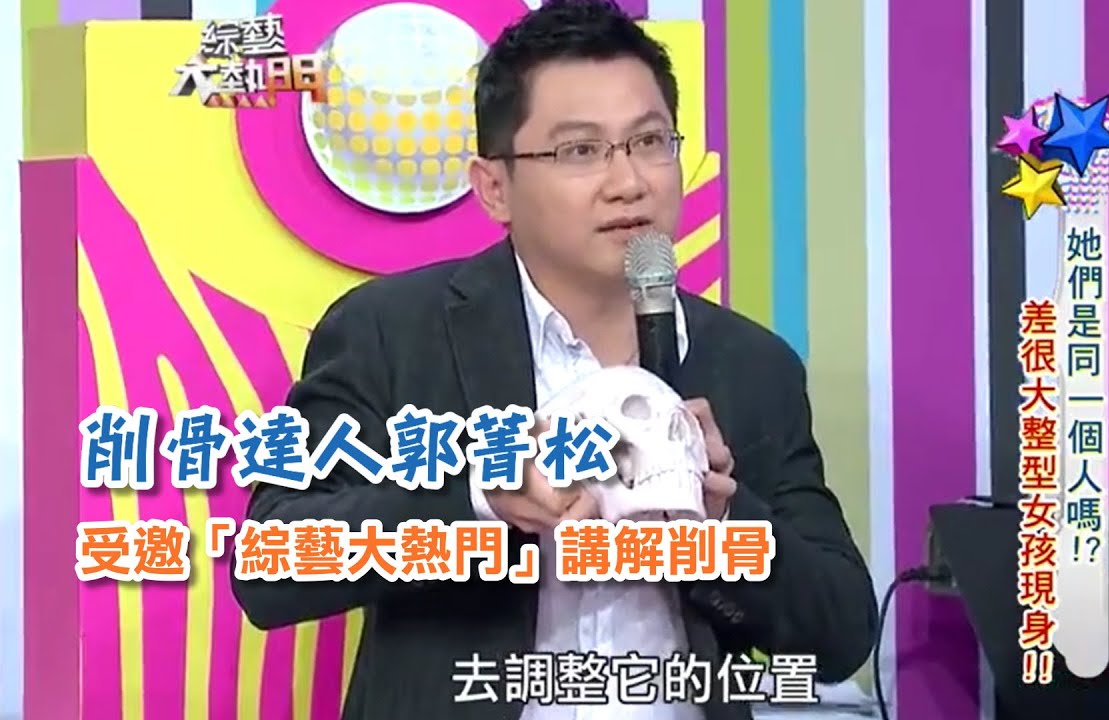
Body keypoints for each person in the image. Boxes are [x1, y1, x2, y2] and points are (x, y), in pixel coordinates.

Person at [230, 1, 878, 718]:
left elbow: (842, 635)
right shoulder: (391, 332)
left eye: (649, 141)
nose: (629, 181)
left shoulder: (752, 363)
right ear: (494, 187)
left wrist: (724, 525)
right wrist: (482, 500)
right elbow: (268, 567)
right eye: (580, 151)